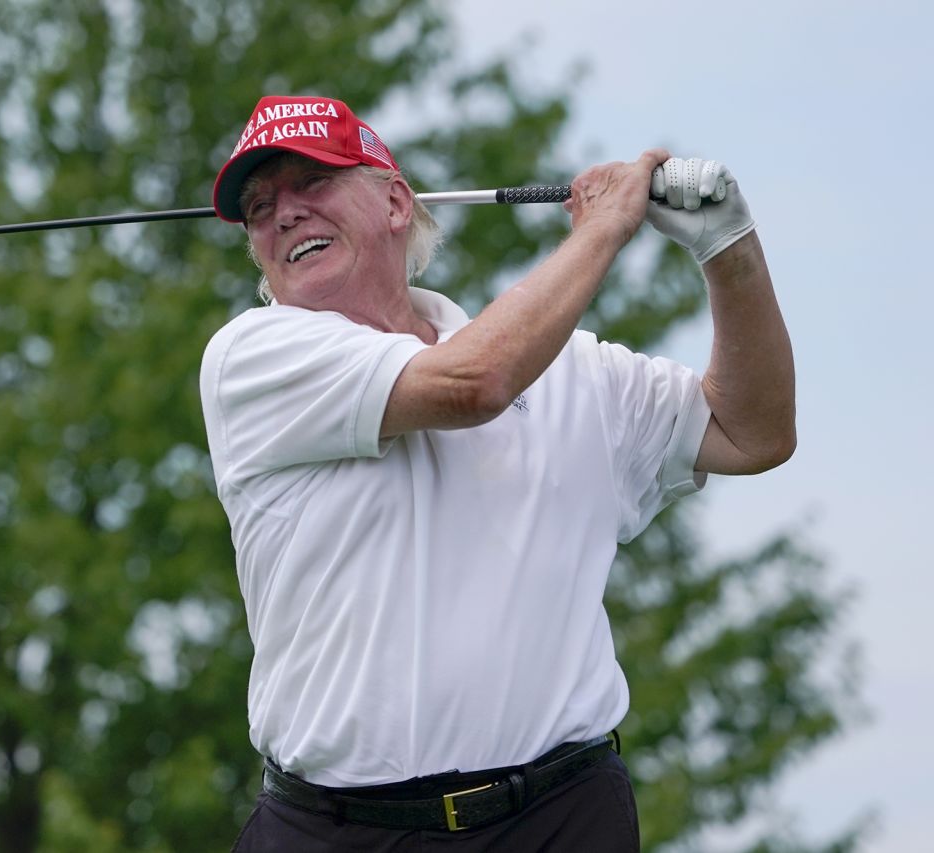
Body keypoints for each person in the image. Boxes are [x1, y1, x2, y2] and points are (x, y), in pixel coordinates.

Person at [199, 95, 795, 852]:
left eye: (310, 183)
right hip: (336, 831)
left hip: (562, 817)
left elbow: (755, 431)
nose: (282, 213)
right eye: (258, 207)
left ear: (394, 200)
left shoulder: (572, 370)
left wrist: (729, 249)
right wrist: (606, 228)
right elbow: (472, 384)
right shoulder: (252, 358)